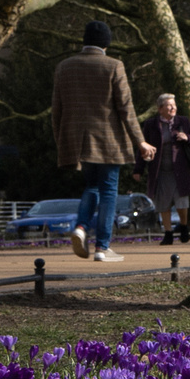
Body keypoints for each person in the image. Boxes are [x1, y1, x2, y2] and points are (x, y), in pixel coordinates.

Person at [52, 21, 151, 262]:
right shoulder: (114, 65)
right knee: (108, 191)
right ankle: (102, 247)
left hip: (78, 141)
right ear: (107, 43)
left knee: (91, 186)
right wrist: (141, 141)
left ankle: (81, 227)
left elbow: (57, 109)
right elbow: (126, 108)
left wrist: (61, 141)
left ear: (84, 41)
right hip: (109, 141)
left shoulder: (65, 66)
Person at [141, 92, 190, 244]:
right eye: (168, 105)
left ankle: (183, 226)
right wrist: (138, 169)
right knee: (163, 204)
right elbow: (142, 147)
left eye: (174, 105)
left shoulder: (183, 121)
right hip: (160, 171)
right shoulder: (150, 124)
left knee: (182, 203)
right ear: (160, 108)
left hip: (180, 170)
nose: (172, 108)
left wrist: (187, 137)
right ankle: (168, 233)